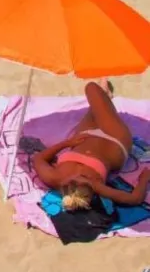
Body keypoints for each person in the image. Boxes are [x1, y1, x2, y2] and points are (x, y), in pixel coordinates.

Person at [32, 82, 149, 212]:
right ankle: (105, 96)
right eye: (87, 180)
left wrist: (66, 144)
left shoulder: (53, 178)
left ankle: (105, 96)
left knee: (96, 106)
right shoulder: (98, 187)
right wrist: (144, 179)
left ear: (67, 184)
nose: (83, 175)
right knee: (92, 89)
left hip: (86, 133)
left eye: (78, 179)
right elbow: (134, 199)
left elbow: (38, 158)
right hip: (114, 138)